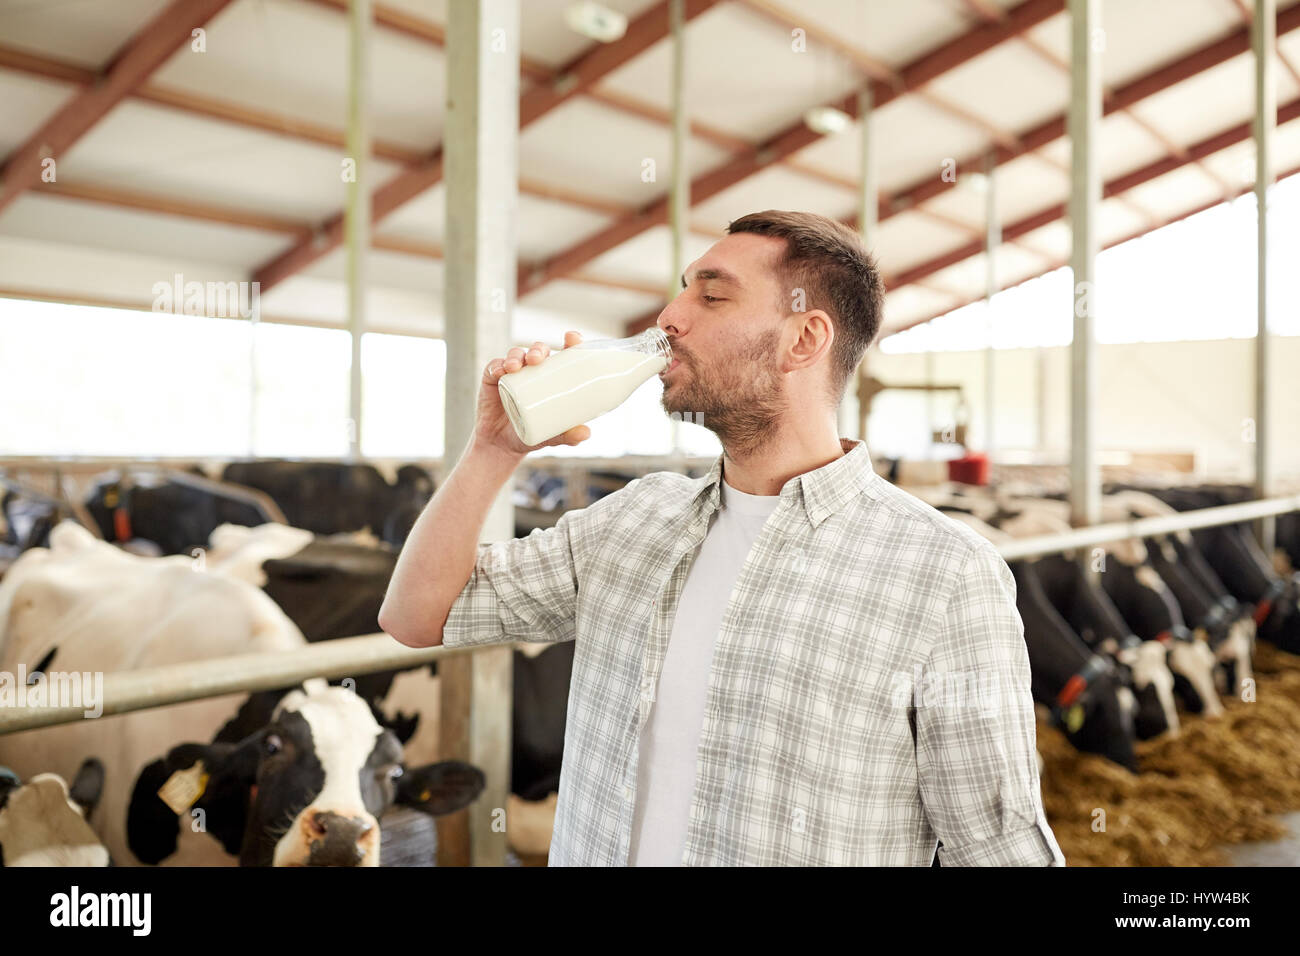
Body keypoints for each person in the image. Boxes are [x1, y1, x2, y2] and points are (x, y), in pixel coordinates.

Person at [380, 209, 1065, 867]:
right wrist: (493, 449)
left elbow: (995, 843)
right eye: (682, 290)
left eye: (712, 297)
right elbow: (416, 617)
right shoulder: (634, 521)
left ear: (804, 340)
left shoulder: (944, 574)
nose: (670, 318)